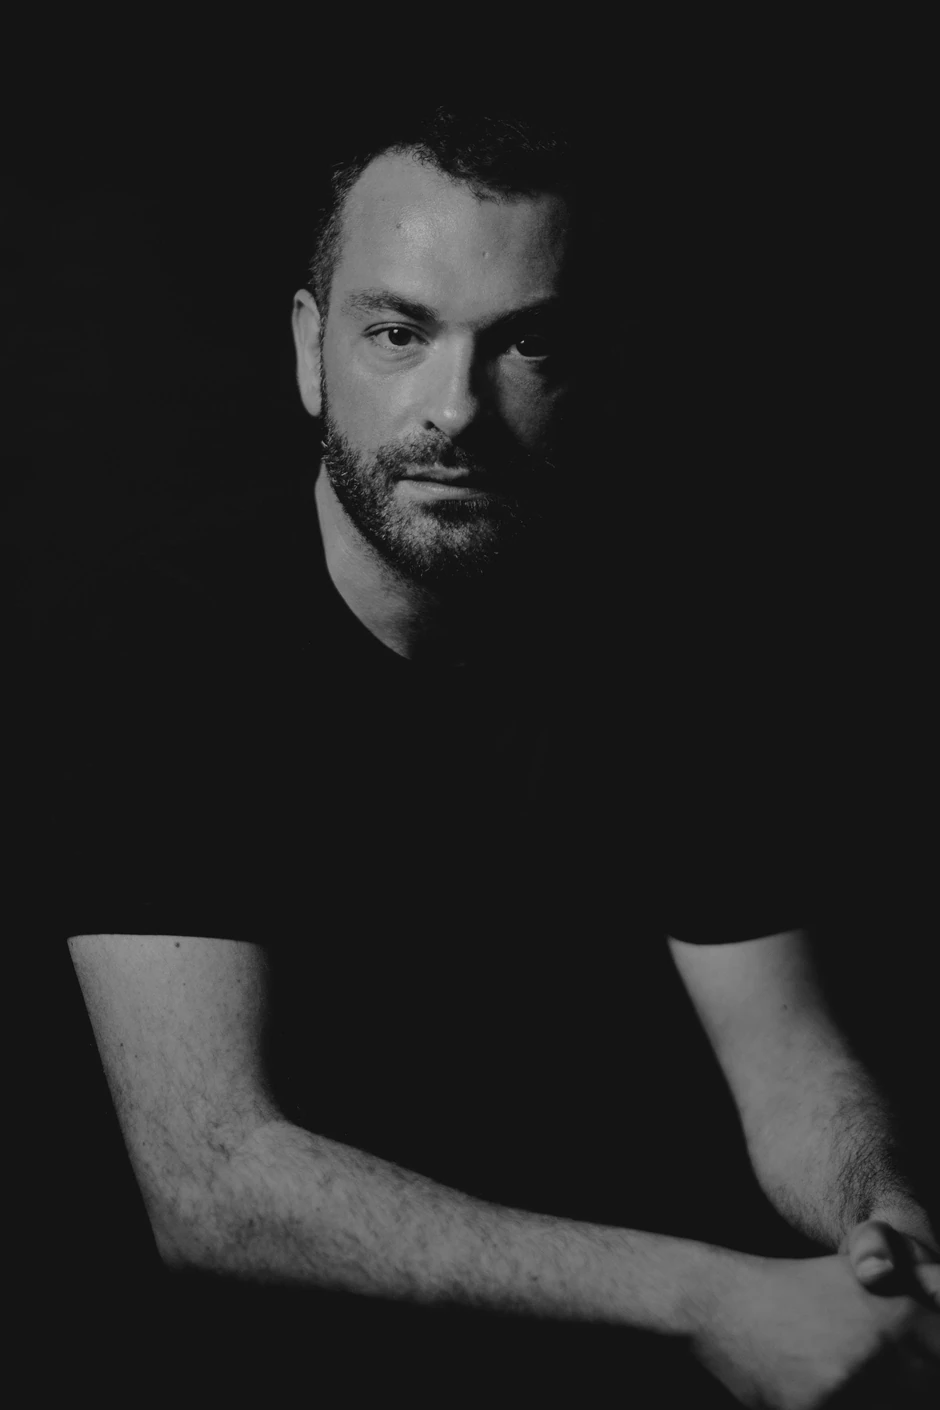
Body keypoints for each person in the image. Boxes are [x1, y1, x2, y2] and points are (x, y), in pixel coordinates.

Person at [34, 107, 938, 1404]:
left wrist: (882, 1225)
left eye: (526, 343)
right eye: (398, 333)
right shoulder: (153, 652)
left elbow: (784, 1053)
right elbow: (215, 1179)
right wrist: (711, 1296)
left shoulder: (664, 639)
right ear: (310, 349)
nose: (454, 409)